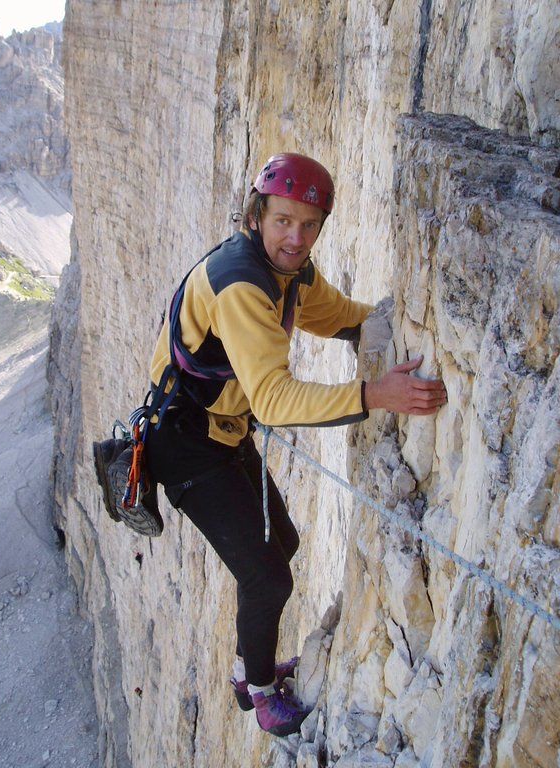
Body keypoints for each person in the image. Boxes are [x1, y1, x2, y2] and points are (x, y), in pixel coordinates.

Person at [143, 153, 447, 737]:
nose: (296, 237)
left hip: (221, 433)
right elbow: (275, 401)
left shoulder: (290, 272)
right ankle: (259, 694)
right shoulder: (241, 285)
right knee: (269, 577)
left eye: (309, 225)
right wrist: (376, 394)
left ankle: (246, 670)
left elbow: (335, 316)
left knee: (283, 542)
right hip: (184, 444)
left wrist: (390, 324)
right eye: (283, 221)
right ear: (257, 215)